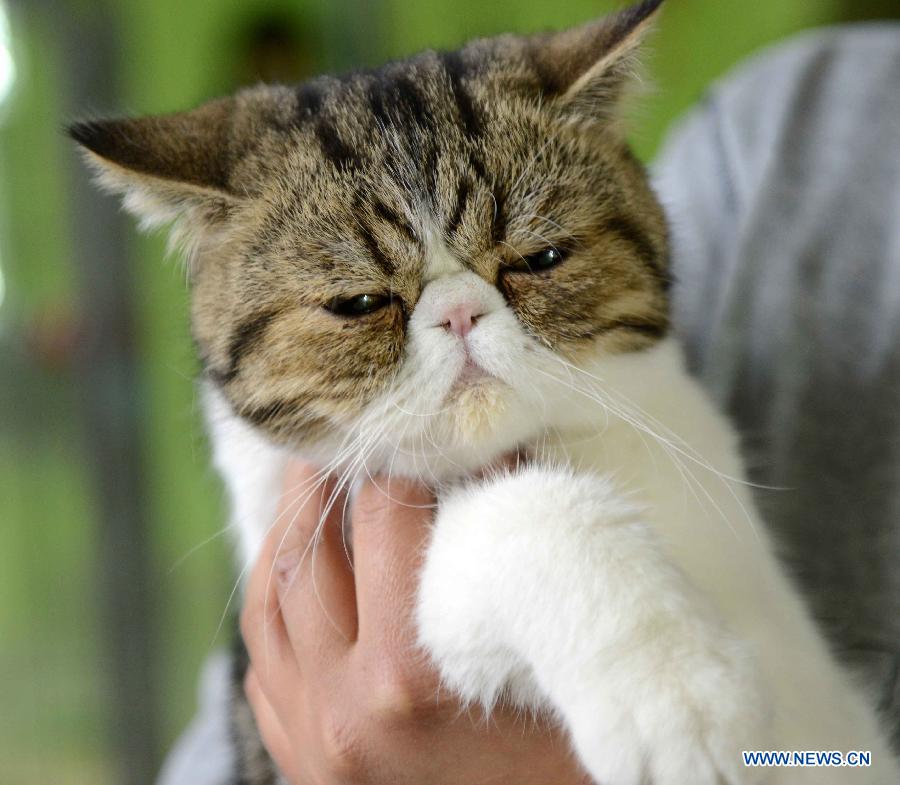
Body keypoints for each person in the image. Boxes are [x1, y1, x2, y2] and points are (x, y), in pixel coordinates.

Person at [157, 23, 900, 784]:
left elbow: (820, 752)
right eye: (358, 302)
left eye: (539, 260)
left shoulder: (660, 414)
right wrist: (560, 559)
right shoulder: (775, 138)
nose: (462, 323)